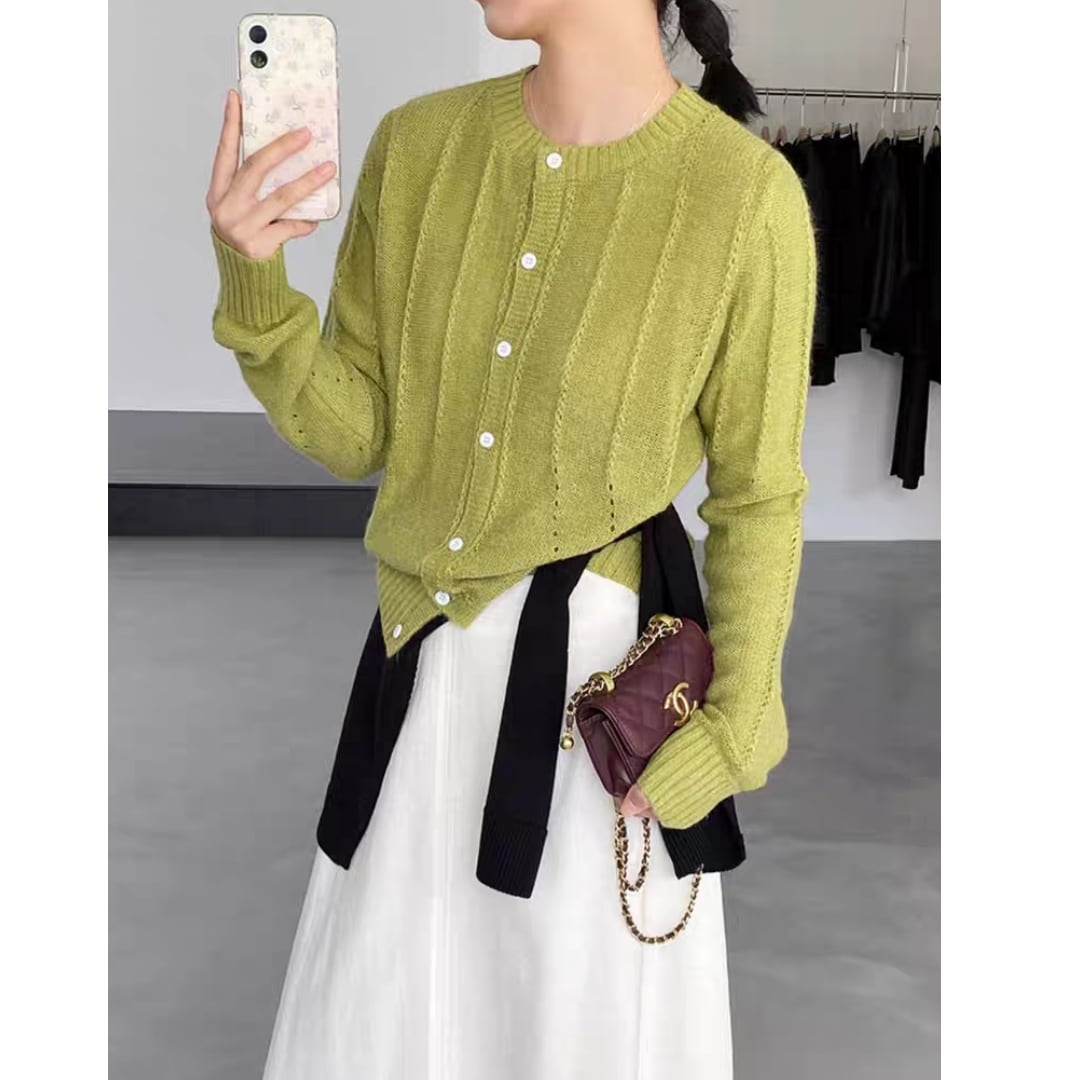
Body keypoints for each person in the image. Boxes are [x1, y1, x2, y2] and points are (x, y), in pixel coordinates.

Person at [205, 0, 816, 1076]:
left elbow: (758, 496)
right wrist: (255, 280)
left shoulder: (743, 196)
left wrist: (736, 730)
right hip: (418, 670)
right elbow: (359, 431)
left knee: (570, 1027)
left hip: (600, 711)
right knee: (384, 1013)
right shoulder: (420, 147)